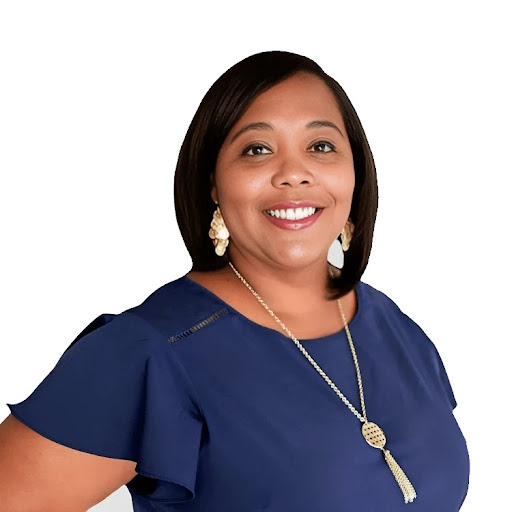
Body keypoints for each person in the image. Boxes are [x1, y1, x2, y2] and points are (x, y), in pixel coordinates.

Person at [0, 51, 470, 511]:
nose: (294, 174)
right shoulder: (149, 352)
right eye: (257, 149)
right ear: (214, 183)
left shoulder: (391, 324)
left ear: (355, 172)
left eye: (321, 146)